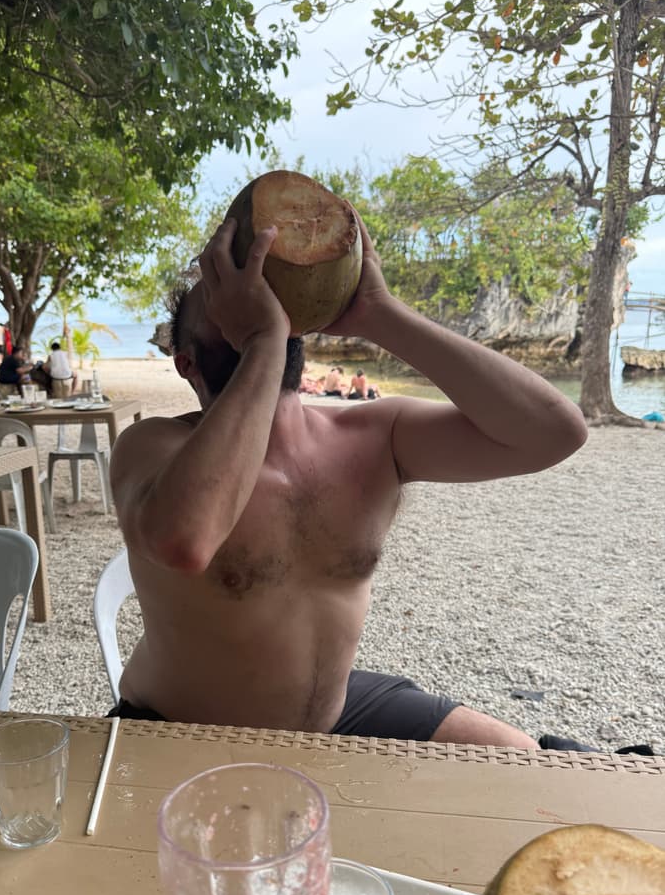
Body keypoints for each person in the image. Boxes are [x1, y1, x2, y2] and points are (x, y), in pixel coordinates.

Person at [105, 212, 620, 756]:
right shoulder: (153, 449)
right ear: (187, 362)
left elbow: (554, 434)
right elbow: (186, 538)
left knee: (524, 758)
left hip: (338, 711)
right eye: (224, 296)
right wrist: (262, 341)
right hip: (179, 729)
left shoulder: (373, 435)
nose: (253, 297)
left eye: (262, 293)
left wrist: (381, 316)